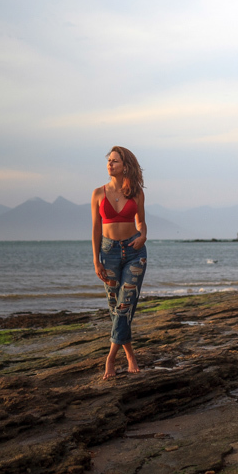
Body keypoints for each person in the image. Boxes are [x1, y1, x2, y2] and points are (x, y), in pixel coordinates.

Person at [91, 146, 148, 380]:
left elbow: (141, 222)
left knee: (126, 305)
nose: (110, 164)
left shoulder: (136, 193)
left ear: (125, 166)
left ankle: (110, 358)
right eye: (109, 161)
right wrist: (96, 261)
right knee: (116, 307)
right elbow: (95, 229)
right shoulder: (97, 193)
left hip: (135, 251)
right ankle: (131, 355)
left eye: (114, 161)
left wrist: (143, 235)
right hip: (109, 252)